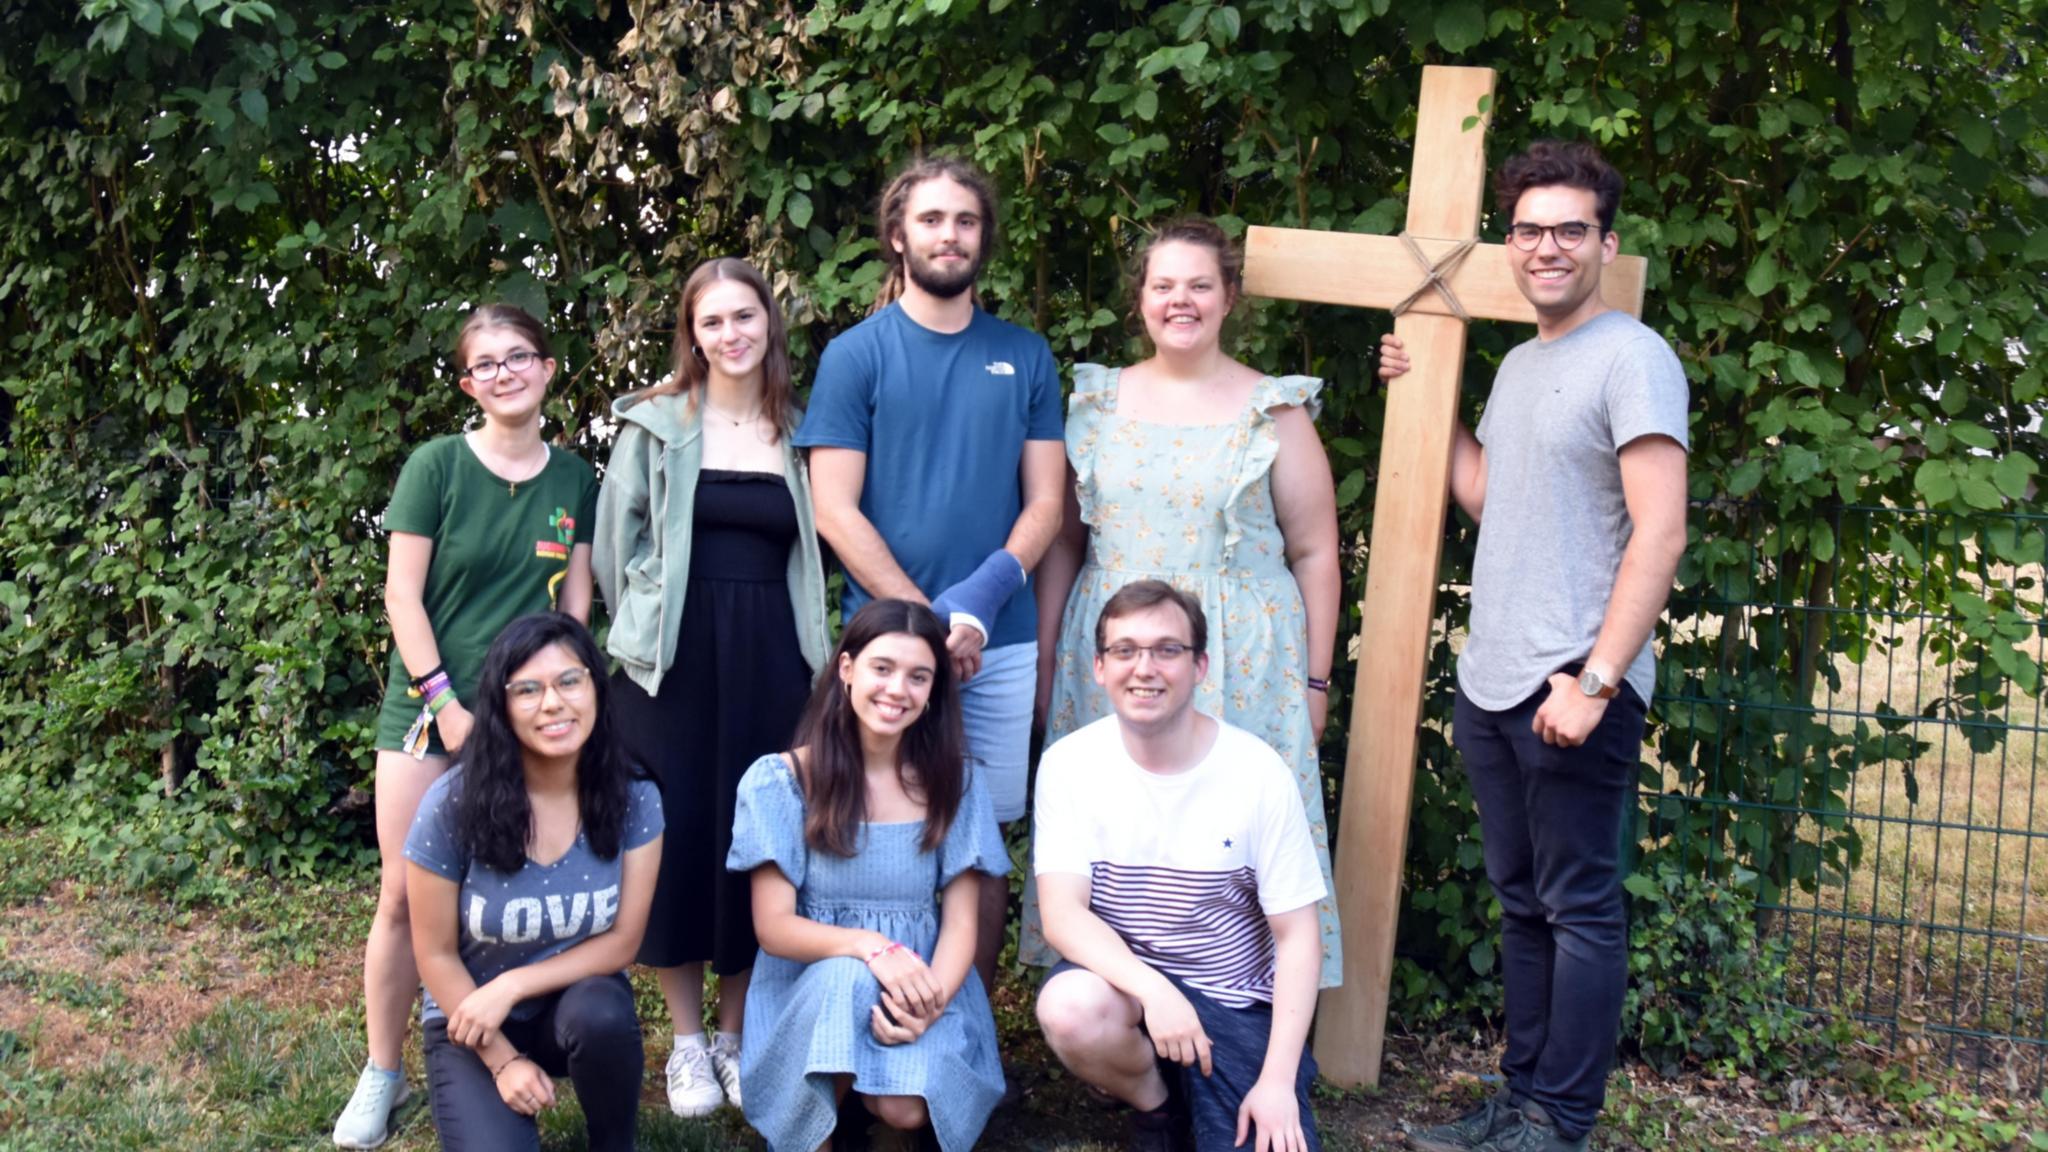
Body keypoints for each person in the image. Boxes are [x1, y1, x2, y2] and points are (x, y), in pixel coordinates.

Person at [1381, 140, 1689, 1152]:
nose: (1545, 247)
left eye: (1568, 229)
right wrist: (1420, 386)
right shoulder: (1518, 363)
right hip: (1492, 682)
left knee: (1577, 906)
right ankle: (1516, 1105)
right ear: (1506, 241)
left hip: (1571, 679)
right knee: (1520, 906)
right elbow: (1488, 497)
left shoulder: (1631, 358)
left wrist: (1596, 682)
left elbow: (1660, 529)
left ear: (1604, 241)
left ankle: (1560, 1119)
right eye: (1527, 229)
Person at [1024, 216, 1342, 989]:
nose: (1181, 301)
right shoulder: (1095, 404)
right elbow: (1065, 540)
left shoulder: (1276, 412)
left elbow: (1315, 551)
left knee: (1234, 827)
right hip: (1119, 648)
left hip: (1241, 659)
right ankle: (1118, 1007)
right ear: (1140, 300)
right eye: (1164, 285)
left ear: (1230, 297)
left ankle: (1250, 1008)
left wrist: (1316, 683)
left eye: (1200, 284)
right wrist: (1048, 661)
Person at [795, 155, 1065, 991]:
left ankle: (965, 1038)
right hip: (885, 644)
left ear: (984, 238)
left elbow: (1046, 507)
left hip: (1001, 644)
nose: (949, 235)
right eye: (931, 220)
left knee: (979, 840)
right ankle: (864, 1012)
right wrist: (928, 629)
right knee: (873, 823)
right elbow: (834, 509)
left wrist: (977, 609)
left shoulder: (1025, 356)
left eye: (966, 221)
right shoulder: (854, 355)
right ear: (897, 235)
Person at [335, 304, 599, 1149]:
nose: (505, 374)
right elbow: (401, 595)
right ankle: (382, 1074)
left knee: (512, 893)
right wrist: (446, 703)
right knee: (405, 901)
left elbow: (577, 606)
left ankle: (502, 1042)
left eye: (520, 357)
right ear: (467, 383)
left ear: (549, 369)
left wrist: (566, 699)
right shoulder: (436, 466)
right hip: (429, 714)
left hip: (532, 718)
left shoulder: (576, 480)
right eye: (486, 365)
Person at [594, 256, 831, 1118]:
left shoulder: (800, 431)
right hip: (673, 663)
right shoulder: (657, 427)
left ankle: (735, 1036)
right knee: (679, 833)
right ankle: (686, 1044)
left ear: (770, 323)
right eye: (712, 321)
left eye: (745, 316)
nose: (731, 334)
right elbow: (616, 552)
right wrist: (649, 632)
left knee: (754, 833)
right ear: (692, 335)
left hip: (774, 655)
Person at [1034, 580, 1325, 1152]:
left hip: (1232, 1004)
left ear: (1201, 666)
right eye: (1125, 650)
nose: (1145, 668)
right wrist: (1155, 991)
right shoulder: (1069, 765)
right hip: (1130, 993)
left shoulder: (1257, 774)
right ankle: (1155, 1107)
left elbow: (1298, 938)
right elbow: (1063, 917)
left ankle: (1224, 1084)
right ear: (1098, 666)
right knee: (1070, 1007)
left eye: (1168, 649)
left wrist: (1277, 1082)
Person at [727, 599, 1009, 1151]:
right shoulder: (781, 781)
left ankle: (868, 1111)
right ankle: (818, 1134)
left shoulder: (958, 784)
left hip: (921, 983)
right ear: (848, 669)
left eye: (918, 676)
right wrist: (869, 946)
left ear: (933, 692)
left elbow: (959, 926)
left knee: (903, 1110)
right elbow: (774, 927)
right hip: (811, 985)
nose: (897, 689)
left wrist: (927, 1006)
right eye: (883, 668)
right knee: (846, 977)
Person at [403, 613, 664, 1152]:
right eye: (528, 689)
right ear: (501, 706)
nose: (553, 703)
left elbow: (623, 943)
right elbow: (433, 954)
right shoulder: (451, 804)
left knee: (603, 1014)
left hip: (572, 1003)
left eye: (570, 681)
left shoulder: (634, 796)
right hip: (468, 1020)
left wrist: (514, 985)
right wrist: (502, 1062)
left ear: (596, 685)